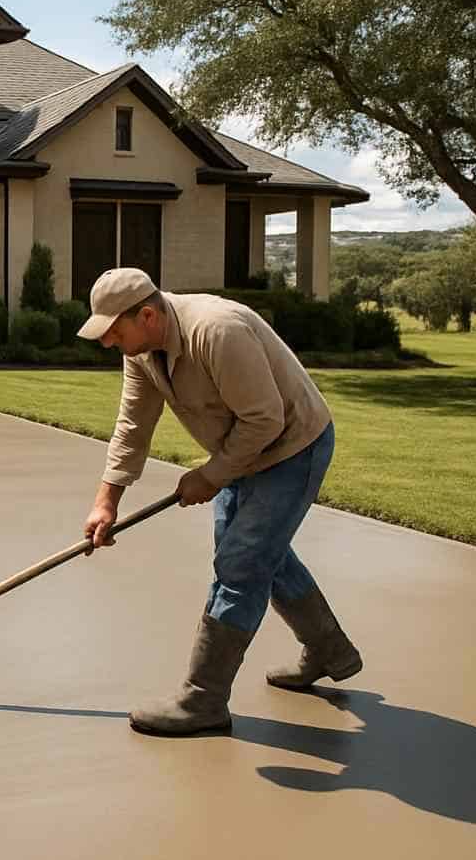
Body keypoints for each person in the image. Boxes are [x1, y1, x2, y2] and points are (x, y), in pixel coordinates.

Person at [79, 268, 362, 736]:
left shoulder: (217, 330)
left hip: (294, 446)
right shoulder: (143, 349)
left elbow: (266, 421)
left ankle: (203, 700)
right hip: (243, 449)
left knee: (242, 563)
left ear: (147, 315)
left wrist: (211, 475)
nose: (109, 343)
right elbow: (133, 426)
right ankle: (330, 650)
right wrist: (106, 502)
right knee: (259, 555)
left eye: (114, 332)